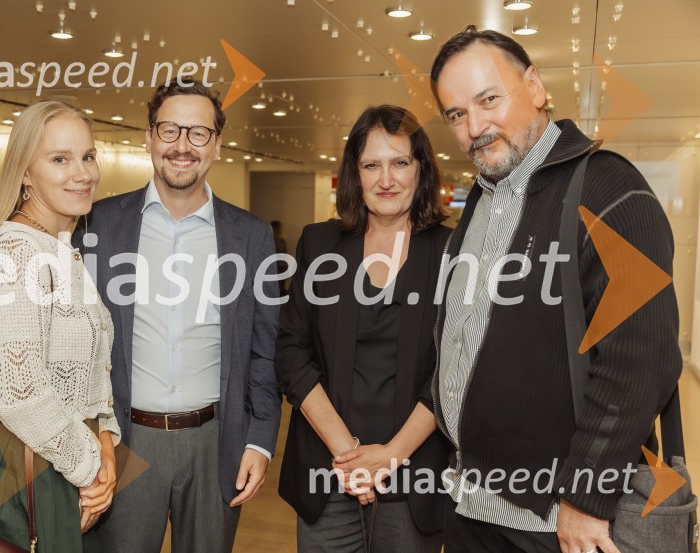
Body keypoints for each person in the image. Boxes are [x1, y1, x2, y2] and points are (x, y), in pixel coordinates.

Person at [428, 26, 681, 553]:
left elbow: (641, 357)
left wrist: (587, 496)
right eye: (456, 114)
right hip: (469, 505)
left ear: (536, 86)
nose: (475, 127)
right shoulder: (479, 202)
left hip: (555, 520)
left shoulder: (608, 188)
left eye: (489, 100)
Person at [73, 79, 281, 553]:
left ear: (217, 145)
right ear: (149, 137)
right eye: (170, 130)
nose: (182, 146)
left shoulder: (250, 236)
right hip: (122, 440)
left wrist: (260, 440)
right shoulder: (97, 224)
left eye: (198, 133)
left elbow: (264, 350)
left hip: (216, 443)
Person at [0, 100, 120, 553]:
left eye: (88, 156)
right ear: (25, 173)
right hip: (15, 465)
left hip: (52, 455)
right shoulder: (16, 252)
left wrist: (106, 439)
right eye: (60, 159)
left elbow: (91, 375)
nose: (83, 173)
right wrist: (91, 467)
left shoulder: (56, 247)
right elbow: (21, 395)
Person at [275, 105, 451, 553]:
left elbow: (455, 369)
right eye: (371, 165)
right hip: (329, 472)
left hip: (414, 478)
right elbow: (291, 352)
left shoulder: (452, 251)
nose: (386, 179)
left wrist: (390, 456)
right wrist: (349, 455)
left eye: (400, 162)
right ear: (355, 173)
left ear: (421, 169)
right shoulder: (319, 244)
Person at [270, 220, 289, 296]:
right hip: (284, 266)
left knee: (276, 289)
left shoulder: (272, 241)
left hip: (277, 266)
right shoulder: (282, 241)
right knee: (280, 288)